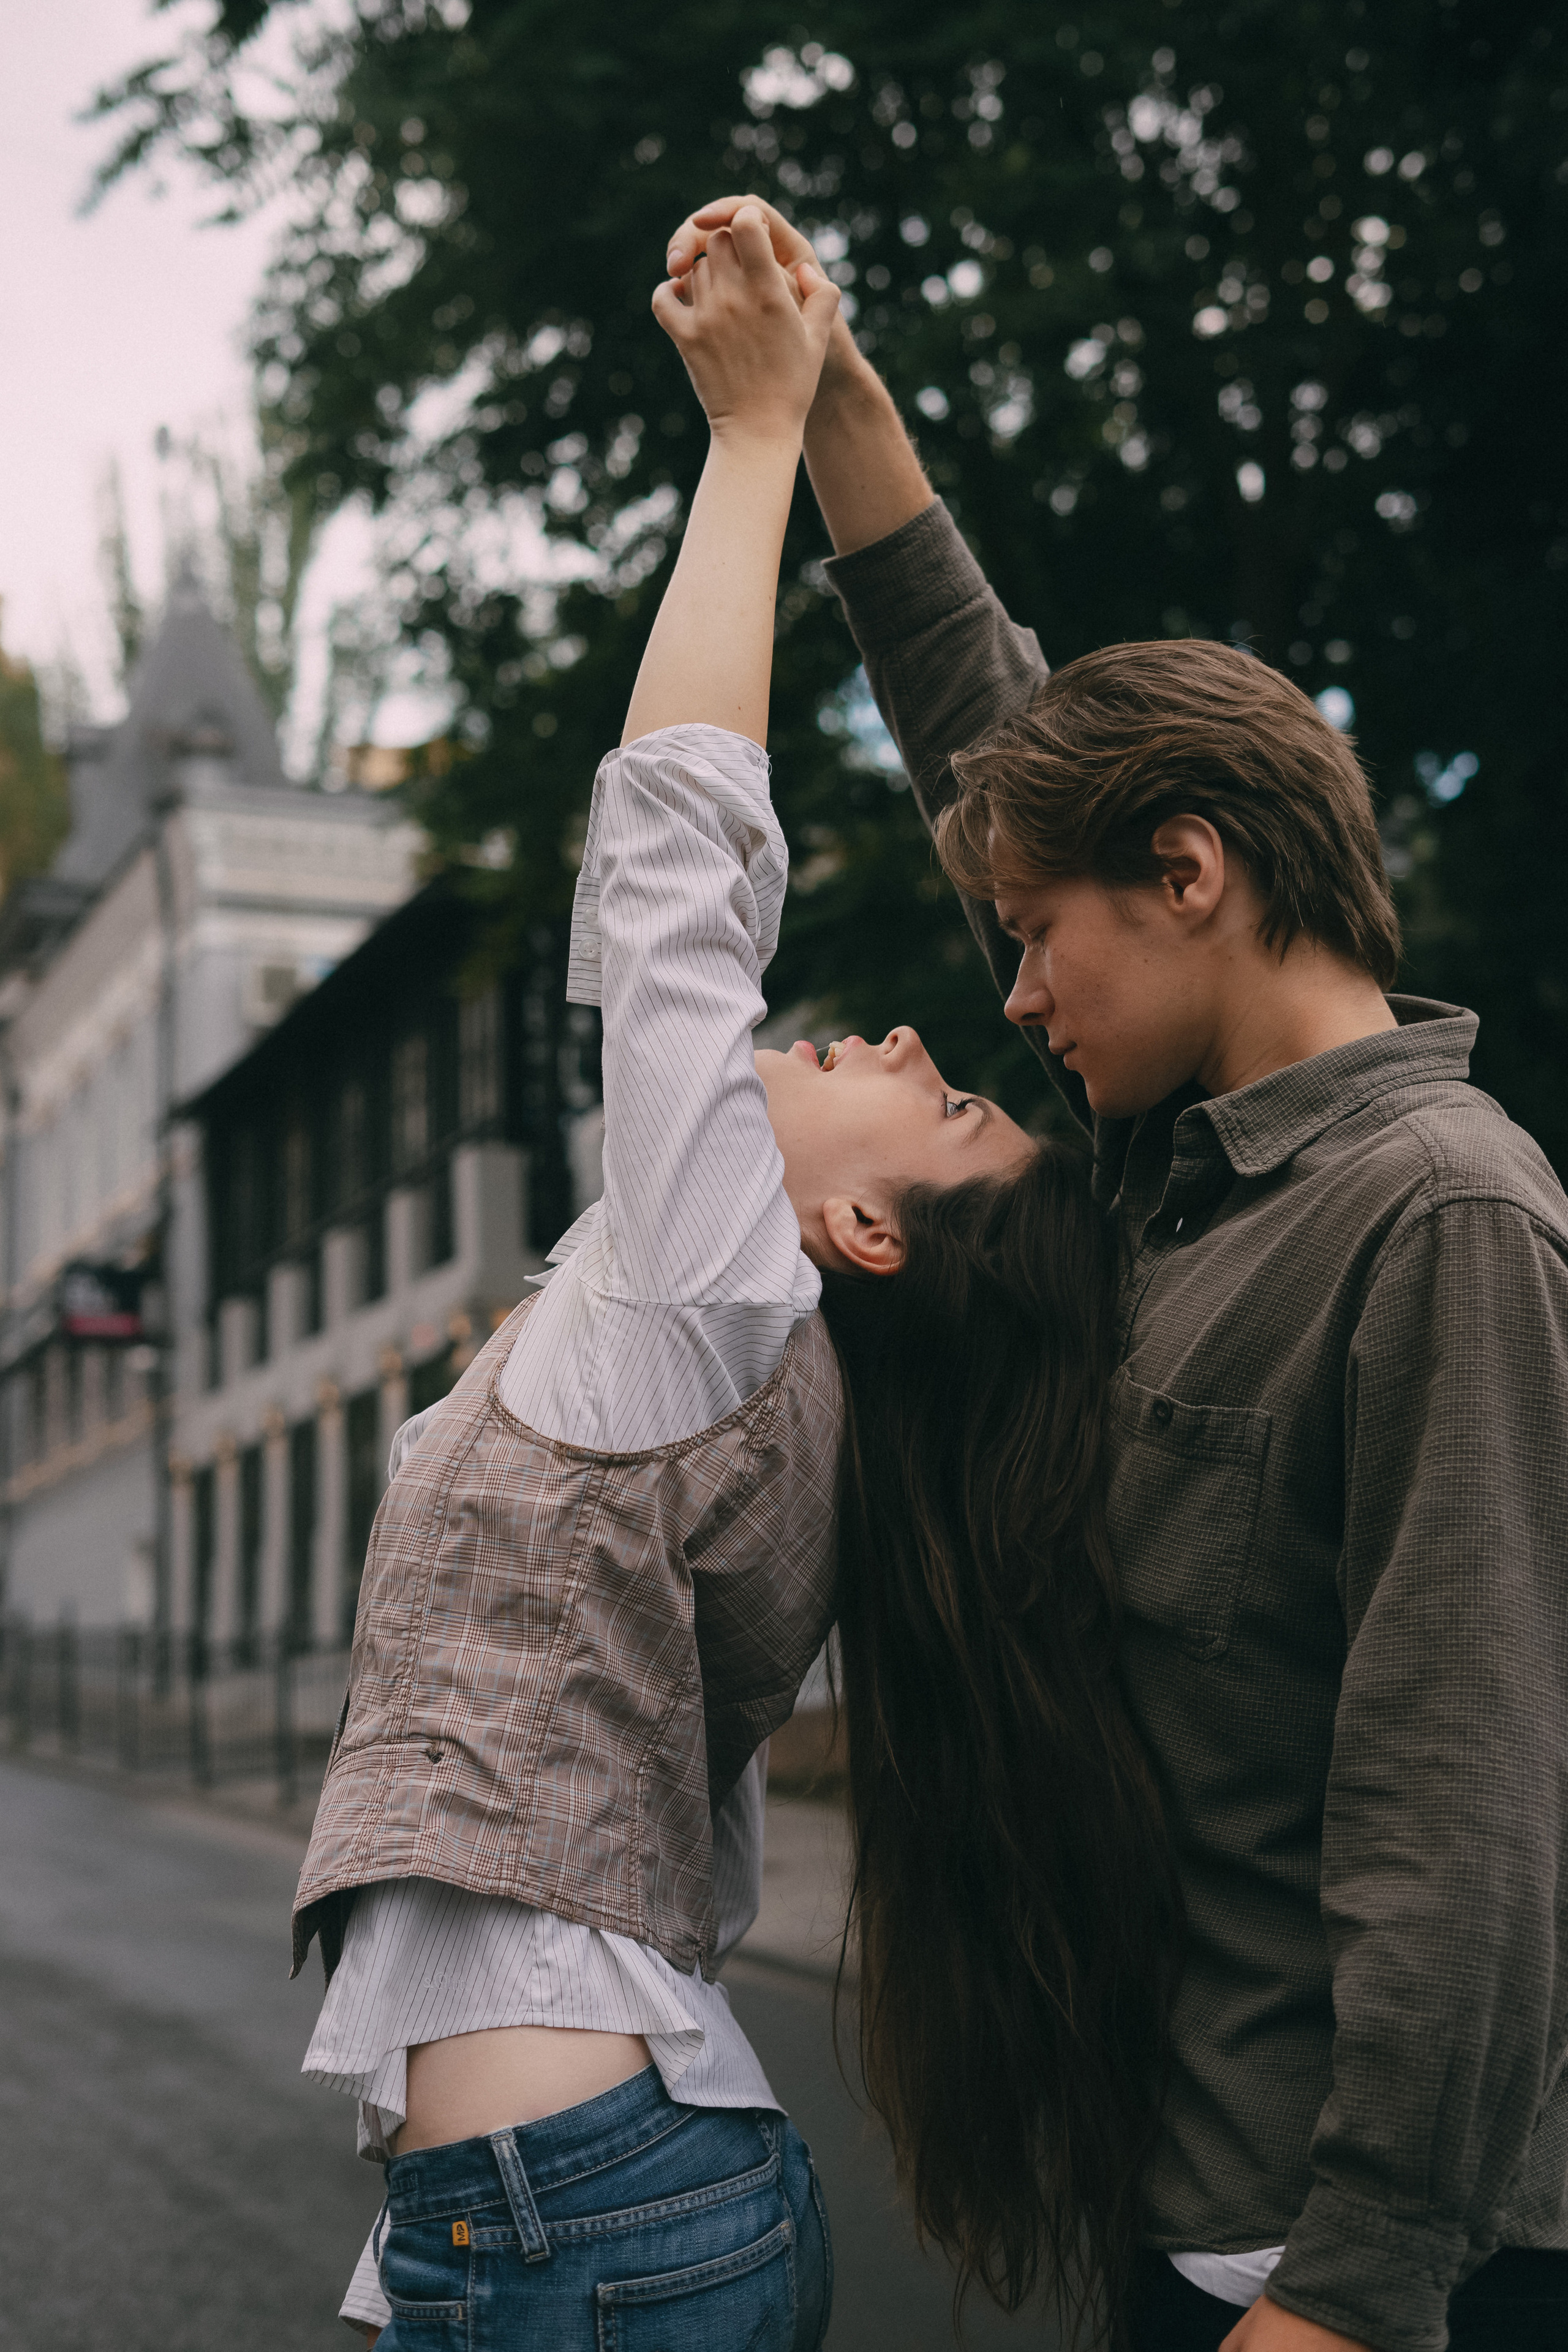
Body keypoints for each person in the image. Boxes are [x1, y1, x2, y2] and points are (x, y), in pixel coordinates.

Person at [662, 198, 1568, 2352]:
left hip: (1355, 2276)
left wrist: (1344, 2298)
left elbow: (1475, 1818)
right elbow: (987, 716)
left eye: (1038, 937)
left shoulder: (1440, 1218)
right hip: (1200, 2216)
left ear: (1191, 874)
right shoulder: (1175, 1167)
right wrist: (842, 392)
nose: (1014, 991)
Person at [293, 208, 1174, 2351]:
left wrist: (755, 435)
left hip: (581, 2209)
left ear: (863, 1237)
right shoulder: (726, 1356)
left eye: (938, 1098)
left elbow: (677, 866)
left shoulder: (720, 1305)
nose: (896, 1040)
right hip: (578, 2196)